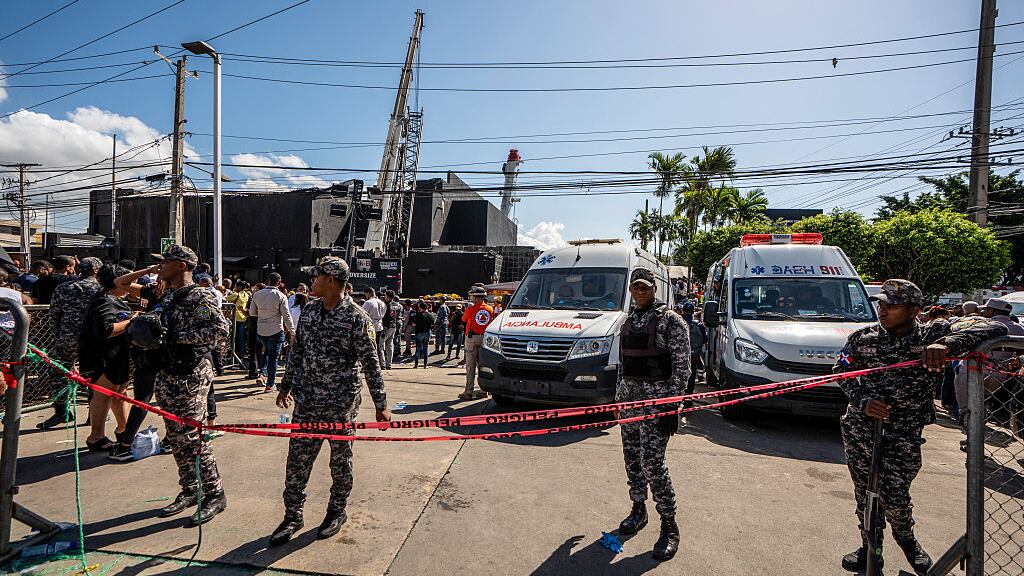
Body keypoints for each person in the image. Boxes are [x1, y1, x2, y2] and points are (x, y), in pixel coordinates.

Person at [834, 279, 1007, 574]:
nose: (883, 310)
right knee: (865, 493)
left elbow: (996, 329)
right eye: (881, 304)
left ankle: (908, 542)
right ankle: (869, 547)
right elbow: (842, 370)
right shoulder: (863, 339)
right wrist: (862, 400)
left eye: (892, 305)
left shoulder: (933, 333)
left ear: (914, 310)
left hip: (905, 432)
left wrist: (947, 343)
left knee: (896, 497)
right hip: (862, 429)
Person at [269, 257, 390, 546]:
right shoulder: (310, 311)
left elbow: (370, 363)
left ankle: (336, 511)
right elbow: (297, 353)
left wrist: (381, 404)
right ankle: (293, 515)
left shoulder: (356, 317)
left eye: (317, 277)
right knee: (297, 461)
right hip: (307, 401)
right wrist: (285, 386)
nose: (312, 281)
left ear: (332, 281)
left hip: (340, 404)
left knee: (340, 461)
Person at [151, 245, 231, 526]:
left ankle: (214, 494)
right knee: (175, 437)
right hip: (168, 371)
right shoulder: (169, 296)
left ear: (182, 265)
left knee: (192, 438)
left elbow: (219, 329)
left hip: (191, 373)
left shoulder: (199, 295)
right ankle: (190, 489)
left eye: (166, 262)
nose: (160, 266)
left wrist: (173, 336)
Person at [615, 267, 689, 562]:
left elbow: (683, 365)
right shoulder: (628, 322)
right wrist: (617, 400)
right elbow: (623, 364)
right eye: (636, 288)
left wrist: (673, 404)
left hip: (657, 404)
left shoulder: (670, 321)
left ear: (654, 289)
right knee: (632, 459)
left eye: (645, 287)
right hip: (629, 402)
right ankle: (638, 509)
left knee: (652, 464)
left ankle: (669, 525)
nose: (640, 292)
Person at [36, 257, 103, 430]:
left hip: (67, 338)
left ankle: (62, 412)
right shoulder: (101, 289)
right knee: (94, 376)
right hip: (93, 340)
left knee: (58, 373)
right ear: (96, 270)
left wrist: (57, 336)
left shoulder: (64, 288)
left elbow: (53, 316)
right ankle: (94, 414)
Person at [79, 264, 137, 453]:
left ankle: (124, 430)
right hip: (102, 357)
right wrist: (132, 321)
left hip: (118, 355)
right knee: (103, 395)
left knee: (120, 394)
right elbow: (106, 330)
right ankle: (96, 436)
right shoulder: (104, 301)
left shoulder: (114, 299)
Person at [109, 265, 164, 461]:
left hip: (164, 353)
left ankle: (127, 443)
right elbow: (120, 282)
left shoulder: (178, 293)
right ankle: (126, 442)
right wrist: (147, 270)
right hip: (149, 352)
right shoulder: (152, 291)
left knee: (163, 399)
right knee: (144, 397)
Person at [248, 273, 294, 393]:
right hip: (276, 330)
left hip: (261, 330)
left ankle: (262, 374)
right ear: (279, 283)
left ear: (268, 281)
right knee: (273, 358)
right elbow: (286, 315)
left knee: (265, 353)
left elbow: (252, 313)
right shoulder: (281, 296)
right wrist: (292, 331)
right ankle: (270, 384)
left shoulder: (257, 294)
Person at [461, 286, 494, 400]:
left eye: (472, 296)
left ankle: (468, 391)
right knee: (483, 365)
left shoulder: (470, 309)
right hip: (484, 338)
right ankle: (483, 390)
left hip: (471, 339)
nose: (471, 298)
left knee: (470, 366)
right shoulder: (490, 309)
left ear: (476, 297)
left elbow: (464, 320)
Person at [678, 301, 705, 426]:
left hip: (679, 355)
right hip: (693, 355)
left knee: (677, 376)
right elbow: (705, 339)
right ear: (693, 311)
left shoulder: (677, 322)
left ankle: (676, 399)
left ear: (683, 311)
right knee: (691, 377)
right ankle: (688, 400)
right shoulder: (699, 325)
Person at [225, 280, 251, 359]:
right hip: (243, 318)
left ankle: (233, 354)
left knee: (233, 338)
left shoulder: (236, 294)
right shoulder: (246, 295)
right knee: (241, 338)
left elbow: (225, 298)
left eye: (236, 286)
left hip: (235, 317)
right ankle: (241, 355)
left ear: (239, 287)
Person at [362, 288, 386, 366]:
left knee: (369, 346)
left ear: (369, 293)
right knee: (378, 346)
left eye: (366, 294)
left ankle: (371, 364)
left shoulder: (368, 302)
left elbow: (362, 314)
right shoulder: (382, 303)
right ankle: (379, 363)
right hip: (379, 325)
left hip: (370, 326)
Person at [380, 290, 401, 370]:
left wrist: (384, 326)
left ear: (388, 297)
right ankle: (389, 364)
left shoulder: (386, 304)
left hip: (386, 326)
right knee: (390, 345)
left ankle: (382, 364)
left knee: (381, 345)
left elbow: (385, 317)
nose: (384, 297)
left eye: (385, 296)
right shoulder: (396, 304)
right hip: (394, 326)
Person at [411, 301, 435, 369]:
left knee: (418, 349)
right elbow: (433, 323)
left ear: (420, 308)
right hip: (427, 332)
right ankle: (425, 365)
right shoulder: (430, 315)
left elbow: (413, 324)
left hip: (419, 332)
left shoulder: (418, 315)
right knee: (425, 348)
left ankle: (416, 365)